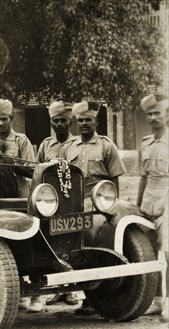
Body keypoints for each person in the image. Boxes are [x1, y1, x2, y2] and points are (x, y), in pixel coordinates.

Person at [60, 100, 127, 316]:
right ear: (76, 123)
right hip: (75, 208)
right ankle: (83, 298)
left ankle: (99, 299)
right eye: (80, 121)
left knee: (98, 253)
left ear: (96, 121)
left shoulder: (107, 146)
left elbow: (114, 181)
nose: (84, 124)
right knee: (76, 253)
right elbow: (62, 177)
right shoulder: (69, 148)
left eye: (88, 120)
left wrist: (112, 207)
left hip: (99, 207)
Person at [0, 99, 41, 312]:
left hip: (20, 197)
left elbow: (31, 169)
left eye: (4, 119)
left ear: (11, 119)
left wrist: (5, 160)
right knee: (9, 247)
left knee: (31, 243)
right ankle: (19, 294)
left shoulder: (21, 140)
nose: (1, 124)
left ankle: (37, 296)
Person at [37, 101, 80, 307]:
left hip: (73, 203)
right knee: (50, 244)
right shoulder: (46, 145)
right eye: (56, 121)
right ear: (51, 123)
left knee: (72, 244)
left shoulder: (77, 144)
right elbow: (36, 172)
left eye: (64, 120)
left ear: (70, 122)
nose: (60, 124)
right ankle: (57, 292)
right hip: (49, 204)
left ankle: (72, 291)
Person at [138, 93, 169, 322]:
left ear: (166, 114)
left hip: (168, 201)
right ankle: (157, 300)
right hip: (148, 202)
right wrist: (138, 207)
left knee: (168, 253)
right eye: (150, 114)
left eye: (157, 112)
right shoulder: (145, 143)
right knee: (147, 254)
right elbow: (142, 177)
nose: (153, 117)